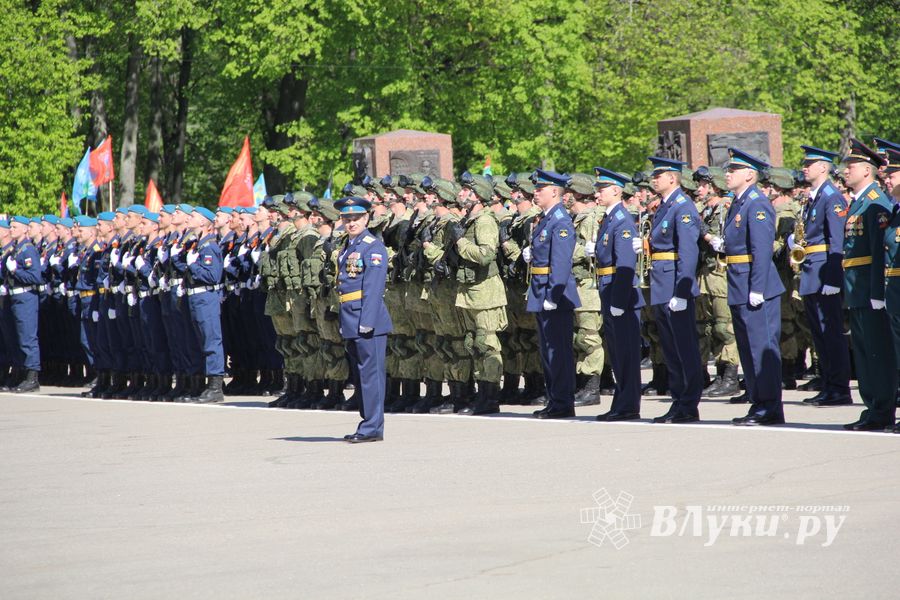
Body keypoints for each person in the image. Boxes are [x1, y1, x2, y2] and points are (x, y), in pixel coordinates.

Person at [713, 148, 785, 425]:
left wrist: (757, 287)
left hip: (757, 286)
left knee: (761, 348)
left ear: (750, 175)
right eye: (728, 169)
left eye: (733, 170)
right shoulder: (739, 202)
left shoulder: (756, 203)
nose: (727, 173)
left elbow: (762, 249)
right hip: (739, 282)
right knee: (747, 348)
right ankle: (758, 403)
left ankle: (770, 407)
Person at [789, 145, 851, 406]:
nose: (805, 167)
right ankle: (828, 384)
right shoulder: (813, 197)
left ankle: (839, 389)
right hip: (812, 270)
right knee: (819, 334)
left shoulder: (831, 197)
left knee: (831, 333)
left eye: (810, 163)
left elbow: (837, 242)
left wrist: (834, 279)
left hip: (825, 271)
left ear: (824, 167)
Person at [841, 138, 895, 431]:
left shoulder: (875, 202)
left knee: (876, 352)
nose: (845, 171)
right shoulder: (860, 201)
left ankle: (882, 409)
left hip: (868, 290)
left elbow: (879, 251)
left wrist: (877, 292)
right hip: (856, 289)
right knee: (864, 352)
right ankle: (872, 406)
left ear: (867, 170)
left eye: (851, 166)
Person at [645, 156, 703, 423]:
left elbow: (688, 254)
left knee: (684, 348)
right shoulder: (666, 206)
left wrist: (682, 291)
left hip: (674, 287)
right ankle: (678, 400)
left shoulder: (682, 206)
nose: (654, 179)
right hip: (661, 283)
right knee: (670, 349)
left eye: (660, 174)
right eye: (654, 175)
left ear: (673, 178)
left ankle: (689, 404)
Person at [334, 196, 392, 443]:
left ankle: (372, 427)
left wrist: (366, 322)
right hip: (350, 316)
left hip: (366, 320)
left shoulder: (372, 247)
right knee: (361, 377)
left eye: (355, 218)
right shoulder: (349, 245)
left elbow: (374, 286)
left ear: (367, 218)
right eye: (346, 218)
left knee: (371, 376)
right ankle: (367, 423)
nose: (350, 222)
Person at [524, 169, 581, 419]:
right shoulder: (547, 218)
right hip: (541, 289)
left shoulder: (561, 220)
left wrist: (553, 296)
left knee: (558, 351)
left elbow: (561, 263)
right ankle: (554, 399)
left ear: (555, 192)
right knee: (548, 350)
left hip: (553, 293)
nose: (535, 193)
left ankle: (563, 402)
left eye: (540, 189)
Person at [591, 168, 643, 420]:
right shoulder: (610, 218)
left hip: (617, 290)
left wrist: (619, 300)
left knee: (626, 352)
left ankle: (628, 405)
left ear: (616, 190)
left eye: (602, 189)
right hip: (608, 287)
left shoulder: (621, 219)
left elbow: (625, 264)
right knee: (617, 350)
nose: (597, 193)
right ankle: (621, 403)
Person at [2, 216, 43, 392]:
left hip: (25, 297)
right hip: (14, 297)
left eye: (15, 227)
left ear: (25, 229)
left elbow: (35, 277)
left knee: (28, 338)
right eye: (10, 227)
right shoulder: (15, 250)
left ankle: (32, 377)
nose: (11, 230)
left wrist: (16, 270)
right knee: (17, 338)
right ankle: (20, 374)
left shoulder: (28, 250)